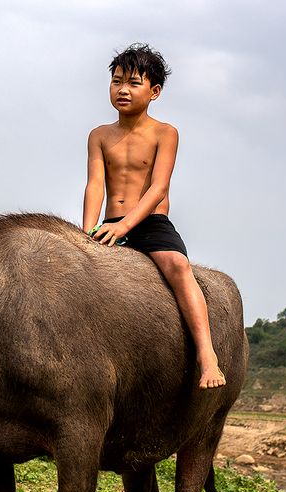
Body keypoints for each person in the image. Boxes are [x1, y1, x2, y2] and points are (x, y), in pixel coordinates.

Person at [82, 43, 225, 389]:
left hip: (148, 223)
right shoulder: (99, 135)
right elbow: (95, 186)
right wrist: (87, 234)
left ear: (155, 91)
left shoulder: (165, 133)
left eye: (133, 83)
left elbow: (159, 187)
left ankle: (207, 356)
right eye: (117, 82)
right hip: (110, 224)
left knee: (178, 268)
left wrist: (127, 226)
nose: (123, 90)